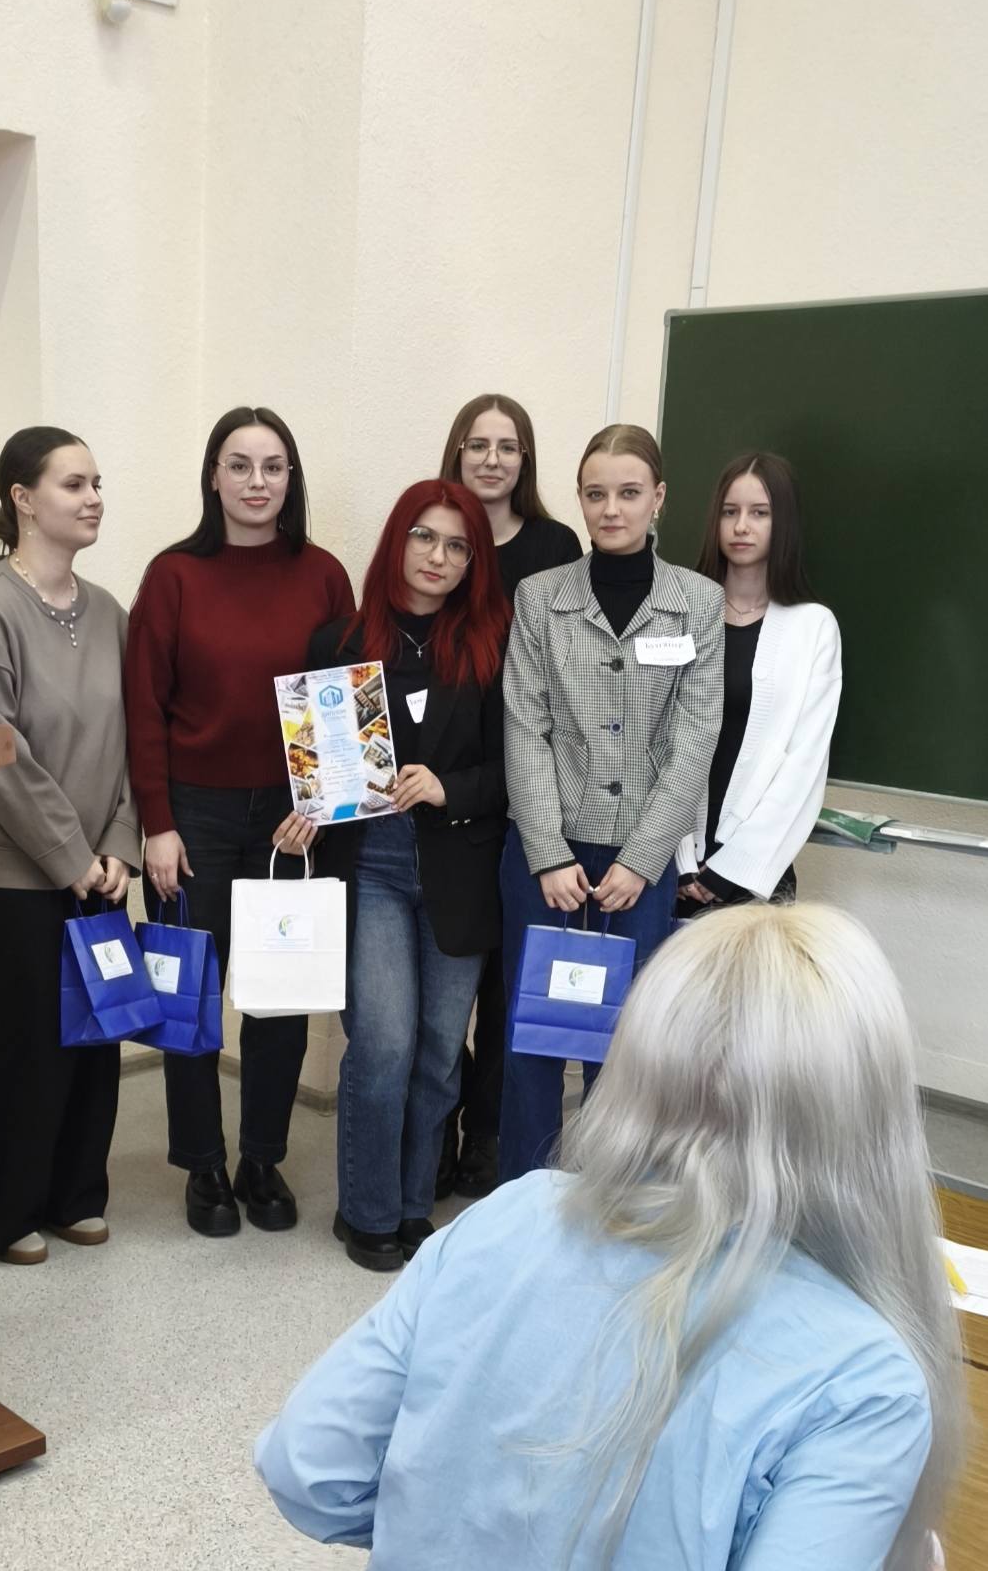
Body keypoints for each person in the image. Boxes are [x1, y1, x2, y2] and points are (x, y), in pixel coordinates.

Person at [256, 903, 964, 1570]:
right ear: (872, 1113)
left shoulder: (513, 1211)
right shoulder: (864, 1378)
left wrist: (448, 1527)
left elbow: (308, 1469)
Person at [123, 406, 355, 1239]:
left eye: (273, 465)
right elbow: (143, 707)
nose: (257, 481)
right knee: (187, 996)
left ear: (291, 478)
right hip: (194, 816)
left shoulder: (323, 575)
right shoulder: (173, 576)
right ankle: (203, 1165)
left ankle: (261, 1157)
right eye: (239, 464)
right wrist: (157, 822)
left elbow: (339, 705)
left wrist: (318, 804)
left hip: (289, 820)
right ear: (213, 477)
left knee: (278, 997)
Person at [500, 423, 723, 1183]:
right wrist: (546, 853)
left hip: (638, 863)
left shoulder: (698, 602)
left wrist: (641, 859)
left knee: (626, 1044)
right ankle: (525, 1197)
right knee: (534, 1036)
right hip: (548, 857)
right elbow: (525, 728)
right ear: (580, 499)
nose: (611, 509)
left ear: (658, 498)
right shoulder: (540, 597)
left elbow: (695, 739)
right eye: (595, 494)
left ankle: (608, 1198)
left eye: (628, 493)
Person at [0, 426, 139, 1265]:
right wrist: (72, 857)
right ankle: (1, 1208)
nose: (93, 498)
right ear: (23, 499)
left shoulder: (110, 613)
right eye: (73, 484)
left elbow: (135, 741)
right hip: (10, 878)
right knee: (22, 1051)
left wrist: (119, 844)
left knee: (94, 1046)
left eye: (97, 483)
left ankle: (73, 1195)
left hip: (99, 871)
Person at [308, 480, 510, 1271]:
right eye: (424, 536)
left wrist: (447, 786)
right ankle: (365, 1210)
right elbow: (315, 764)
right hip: (374, 863)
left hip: (460, 866)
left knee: (436, 1049)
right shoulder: (340, 641)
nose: (438, 556)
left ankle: (410, 1202)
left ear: (472, 562)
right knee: (384, 1042)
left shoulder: (491, 647)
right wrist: (307, 805)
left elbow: (515, 771)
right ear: (397, 541)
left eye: (457, 546)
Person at [433, 394, 581, 1201]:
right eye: (477, 444)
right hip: (441, 796)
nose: (491, 459)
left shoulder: (555, 546)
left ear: (525, 460)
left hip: (528, 799)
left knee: (505, 986)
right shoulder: (434, 534)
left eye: (508, 446)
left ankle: (486, 1136)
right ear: (456, 452)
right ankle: (438, 1120)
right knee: (436, 987)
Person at [677, 452, 842, 911]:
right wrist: (678, 861)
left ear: (783, 522)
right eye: (730, 512)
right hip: (666, 863)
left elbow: (805, 762)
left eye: (759, 513)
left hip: (756, 875)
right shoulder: (680, 612)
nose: (741, 526)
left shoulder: (813, 627)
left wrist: (733, 868)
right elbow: (654, 740)